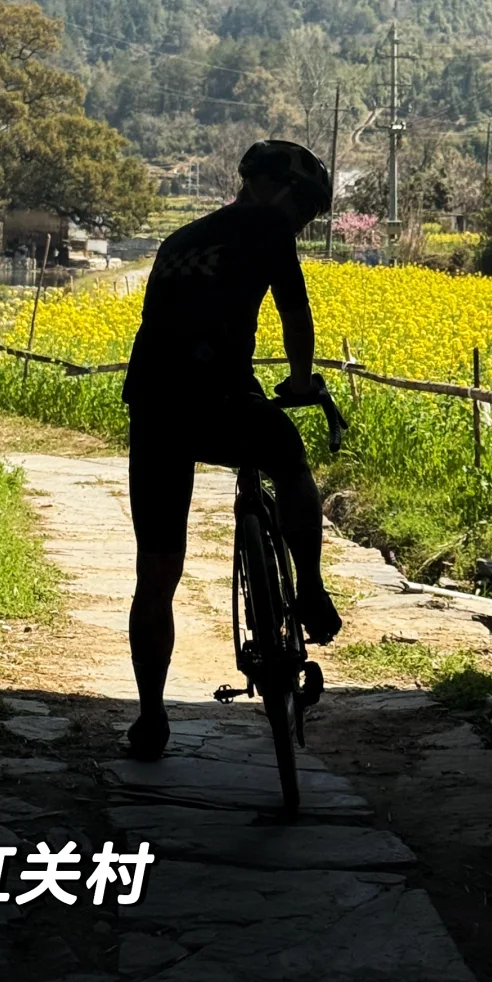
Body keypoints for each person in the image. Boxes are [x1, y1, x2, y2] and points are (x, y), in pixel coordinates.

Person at [121, 139, 343, 761]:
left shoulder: (182, 237)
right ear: (283, 193)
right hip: (219, 394)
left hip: (155, 406)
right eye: (305, 209)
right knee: (290, 459)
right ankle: (310, 588)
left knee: (157, 573)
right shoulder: (269, 228)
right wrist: (301, 385)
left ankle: (149, 718)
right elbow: (294, 316)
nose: (301, 222)